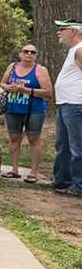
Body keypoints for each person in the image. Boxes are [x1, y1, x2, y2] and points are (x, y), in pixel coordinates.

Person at [0, 44, 51, 182]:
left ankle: (33, 173)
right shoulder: (12, 66)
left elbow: (48, 92)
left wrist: (25, 90)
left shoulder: (41, 70)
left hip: (34, 109)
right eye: (26, 51)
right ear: (20, 54)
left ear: (36, 55)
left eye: (32, 52)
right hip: (13, 107)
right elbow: (2, 83)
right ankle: (14, 169)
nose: (29, 54)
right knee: (14, 137)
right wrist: (7, 87)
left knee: (33, 139)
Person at [51, 19, 82, 197]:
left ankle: (78, 186)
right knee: (62, 144)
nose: (58, 32)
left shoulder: (79, 50)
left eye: (61, 29)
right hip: (65, 103)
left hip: (75, 103)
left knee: (77, 146)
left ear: (73, 31)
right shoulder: (73, 50)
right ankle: (62, 181)